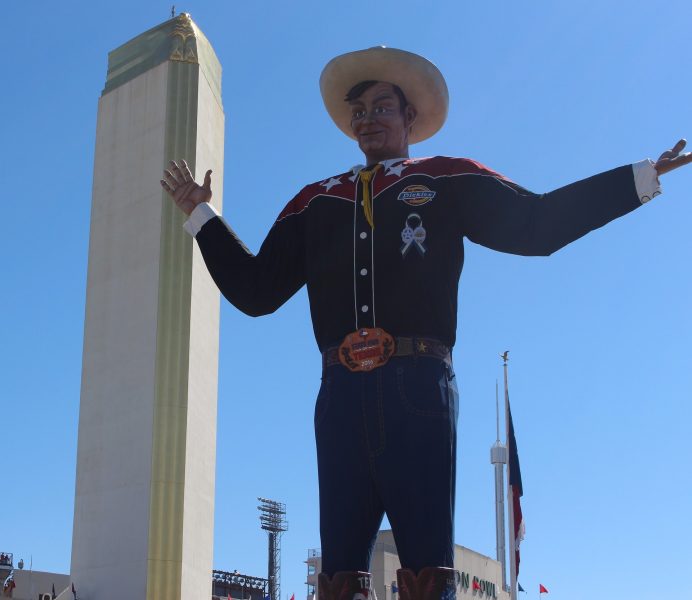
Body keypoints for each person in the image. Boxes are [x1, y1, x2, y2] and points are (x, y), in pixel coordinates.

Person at [160, 47, 690, 600]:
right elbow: (255, 291)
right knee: (337, 579)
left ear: (410, 117)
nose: (368, 120)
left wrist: (641, 178)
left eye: (381, 107)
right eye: (358, 111)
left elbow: (538, 226)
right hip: (339, 395)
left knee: (426, 576)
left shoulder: (446, 179)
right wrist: (201, 215)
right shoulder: (314, 203)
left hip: (419, 388)